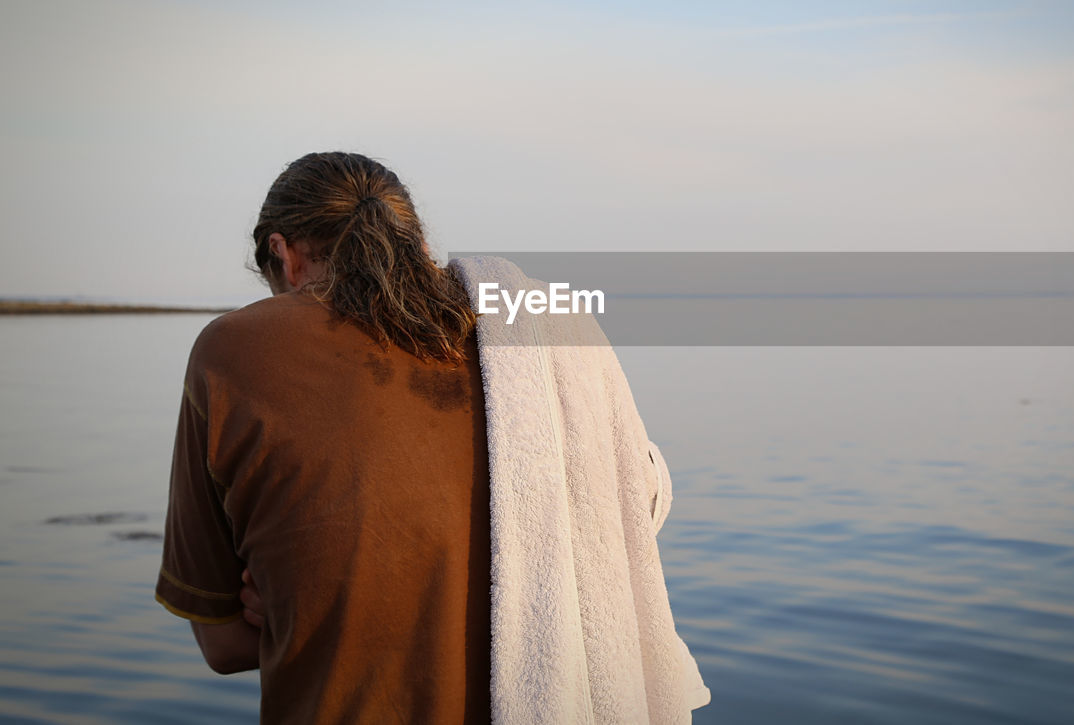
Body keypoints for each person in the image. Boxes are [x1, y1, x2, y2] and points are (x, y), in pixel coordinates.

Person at [155, 152, 708, 723]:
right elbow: (632, 497)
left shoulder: (234, 349)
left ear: (283, 255)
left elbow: (223, 647)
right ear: (414, 240)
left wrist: (302, 597)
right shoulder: (542, 323)